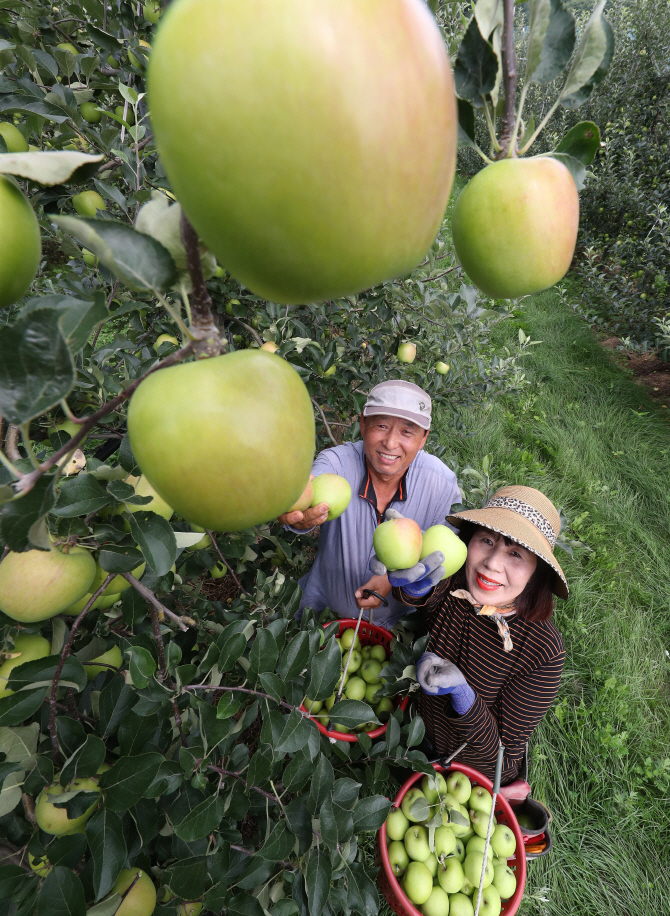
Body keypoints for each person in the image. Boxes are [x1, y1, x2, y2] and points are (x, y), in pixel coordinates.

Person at [372, 485, 566, 785]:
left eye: (516, 553)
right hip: (414, 729)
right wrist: (409, 581)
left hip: (467, 773)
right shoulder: (454, 582)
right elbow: (425, 594)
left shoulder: (542, 651)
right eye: (486, 540)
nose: (491, 563)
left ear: (536, 572)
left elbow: (501, 753)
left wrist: (463, 695)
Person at [278, 379, 461, 629]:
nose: (390, 442)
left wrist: (392, 580)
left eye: (407, 431)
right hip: (320, 612)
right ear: (363, 424)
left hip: (395, 624)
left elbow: (444, 556)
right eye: (382, 425)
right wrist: (296, 507)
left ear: (423, 439)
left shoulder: (441, 484)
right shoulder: (337, 463)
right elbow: (310, 486)